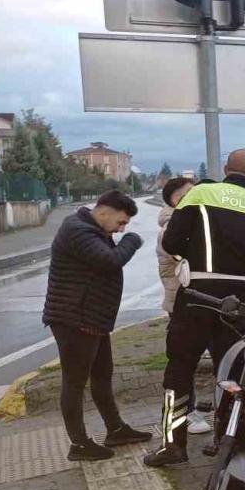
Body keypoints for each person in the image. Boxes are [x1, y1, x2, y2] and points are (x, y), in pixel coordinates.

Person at [145, 150, 245, 467]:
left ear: (226, 170)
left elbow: (170, 243)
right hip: (238, 303)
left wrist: (194, 254)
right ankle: (226, 440)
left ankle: (173, 445)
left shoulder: (199, 194)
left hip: (196, 295)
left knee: (179, 369)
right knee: (233, 372)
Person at [42, 190, 152, 461]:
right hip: (74, 319)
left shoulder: (92, 230)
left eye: (125, 226)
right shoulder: (78, 231)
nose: (121, 228)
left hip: (91, 319)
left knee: (103, 374)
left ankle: (115, 429)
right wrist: (132, 240)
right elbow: (110, 261)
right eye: (121, 222)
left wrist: (121, 237)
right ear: (104, 212)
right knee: (74, 382)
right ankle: (79, 444)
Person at [156, 176, 213, 435]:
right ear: (177, 200)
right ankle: (183, 417)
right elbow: (189, 254)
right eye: (192, 193)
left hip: (199, 301)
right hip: (181, 303)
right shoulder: (171, 227)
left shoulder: (187, 220)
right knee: (181, 365)